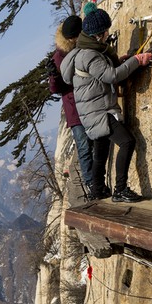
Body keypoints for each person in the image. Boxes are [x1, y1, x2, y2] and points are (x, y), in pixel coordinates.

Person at [60, 5, 152, 203]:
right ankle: (120, 190)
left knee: (100, 153)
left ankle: (98, 190)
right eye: (106, 30)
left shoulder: (85, 51)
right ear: (99, 34)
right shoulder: (90, 54)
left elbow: (101, 71)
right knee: (127, 142)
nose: (108, 33)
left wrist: (122, 61)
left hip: (92, 112)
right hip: (99, 112)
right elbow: (111, 75)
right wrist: (137, 60)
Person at [47, 15, 98, 199]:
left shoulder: (84, 46)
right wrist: (54, 76)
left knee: (96, 142)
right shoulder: (59, 56)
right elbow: (55, 88)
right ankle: (90, 183)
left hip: (92, 101)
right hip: (75, 108)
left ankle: (96, 181)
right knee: (84, 146)